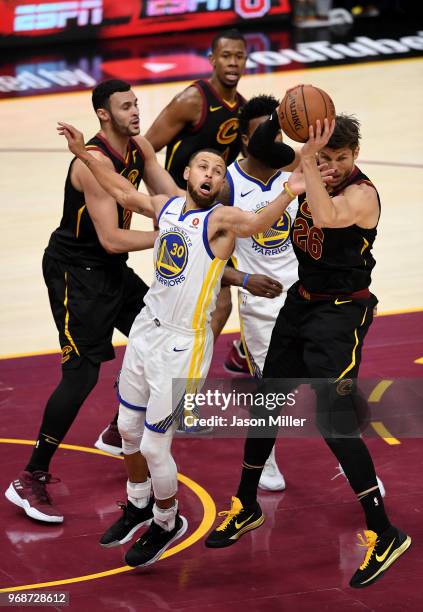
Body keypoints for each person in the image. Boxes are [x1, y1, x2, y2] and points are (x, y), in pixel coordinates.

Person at [56, 119, 331, 567]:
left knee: (153, 446)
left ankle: (168, 521)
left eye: (218, 170)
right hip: (147, 329)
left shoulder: (220, 220)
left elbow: (258, 220)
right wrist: (83, 154)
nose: (209, 173)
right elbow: (123, 193)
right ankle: (139, 502)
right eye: (203, 166)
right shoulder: (165, 207)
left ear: (222, 185)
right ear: (186, 173)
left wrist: (290, 190)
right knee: (126, 429)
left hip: (183, 347)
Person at [205, 114, 410, 588]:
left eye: (342, 158)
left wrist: (308, 166)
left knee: (331, 421)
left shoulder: (362, 194)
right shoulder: (306, 175)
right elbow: (273, 190)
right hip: (302, 302)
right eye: (326, 157)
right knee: (267, 402)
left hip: (341, 314)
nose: (334, 165)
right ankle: (247, 503)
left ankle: (385, 531)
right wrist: (298, 154)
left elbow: (324, 217)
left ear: (355, 157)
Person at [4, 79, 181, 524]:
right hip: (75, 273)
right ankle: (30, 476)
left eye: (137, 103)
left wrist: (201, 214)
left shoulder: (138, 146)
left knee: (158, 328)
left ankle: (118, 428)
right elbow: (112, 238)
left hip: (110, 273)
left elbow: (169, 195)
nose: (136, 112)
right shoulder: (93, 163)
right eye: (126, 106)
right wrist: (171, 237)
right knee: (81, 375)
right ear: (104, 114)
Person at [145, 28, 248, 355]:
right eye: (226, 56)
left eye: (239, 56)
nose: (233, 62)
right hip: (181, 209)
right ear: (212, 60)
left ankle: (189, 366)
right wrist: (162, 203)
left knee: (219, 304)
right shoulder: (193, 100)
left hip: (212, 216)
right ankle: (154, 357)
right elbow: (144, 151)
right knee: (177, 296)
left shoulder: (242, 109)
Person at [222, 94, 299, 491]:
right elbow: (207, 253)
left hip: (306, 297)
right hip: (262, 306)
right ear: (245, 141)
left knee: (336, 382)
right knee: (271, 392)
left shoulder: (295, 172)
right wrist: (242, 280)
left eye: (278, 131)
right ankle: (265, 460)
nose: (275, 142)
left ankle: (361, 471)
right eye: (265, 134)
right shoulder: (228, 185)